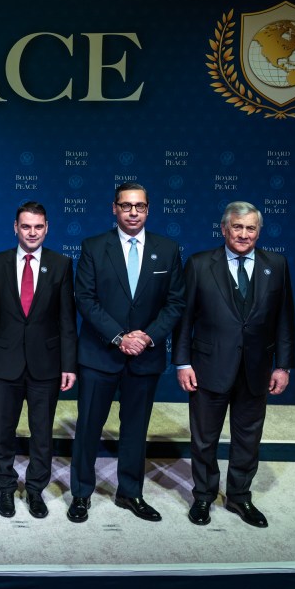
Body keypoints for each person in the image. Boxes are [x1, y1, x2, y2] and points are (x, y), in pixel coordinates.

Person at [68, 182, 185, 523]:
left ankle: (130, 493)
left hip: (145, 356)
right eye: (126, 206)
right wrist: (120, 337)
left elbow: (175, 302)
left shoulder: (167, 249)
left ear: (148, 210)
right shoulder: (93, 246)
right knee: (89, 427)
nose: (133, 212)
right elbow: (85, 299)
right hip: (99, 355)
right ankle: (81, 494)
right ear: (114, 208)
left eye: (140, 206)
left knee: (136, 429)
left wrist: (146, 337)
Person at [173, 201, 294, 528]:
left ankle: (240, 497)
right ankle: (203, 496)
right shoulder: (199, 264)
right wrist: (182, 362)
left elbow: (284, 319)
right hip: (208, 367)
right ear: (224, 229)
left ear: (258, 231)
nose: (243, 234)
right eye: (237, 227)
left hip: (256, 370)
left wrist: (282, 365)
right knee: (204, 438)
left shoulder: (277, 264)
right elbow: (184, 321)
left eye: (250, 228)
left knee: (248, 438)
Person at [0, 201, 76, 519]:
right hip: (5, 364)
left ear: (46, 228)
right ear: (15, 228)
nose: (32, 232)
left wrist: (68, 365)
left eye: (38, 227)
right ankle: (6, 489)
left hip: (46, 365)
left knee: (42, 432)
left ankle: (35, 490)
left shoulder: (61, 264)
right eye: (26, 226)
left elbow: (66, 320)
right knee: (3, 431)